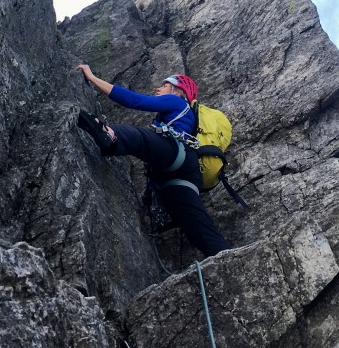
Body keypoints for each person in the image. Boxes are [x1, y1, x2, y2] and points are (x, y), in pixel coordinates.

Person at [75, 64, 230, 258]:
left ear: (178, 90)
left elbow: (136, 101)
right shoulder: (183, 116)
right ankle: (223, 255)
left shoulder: (177, 103)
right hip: (185, 176)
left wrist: (92, 77)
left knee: (143, 138)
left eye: (165, 85)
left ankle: (111, 134)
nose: (158, 88)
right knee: (198, 226)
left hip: (177, 154)